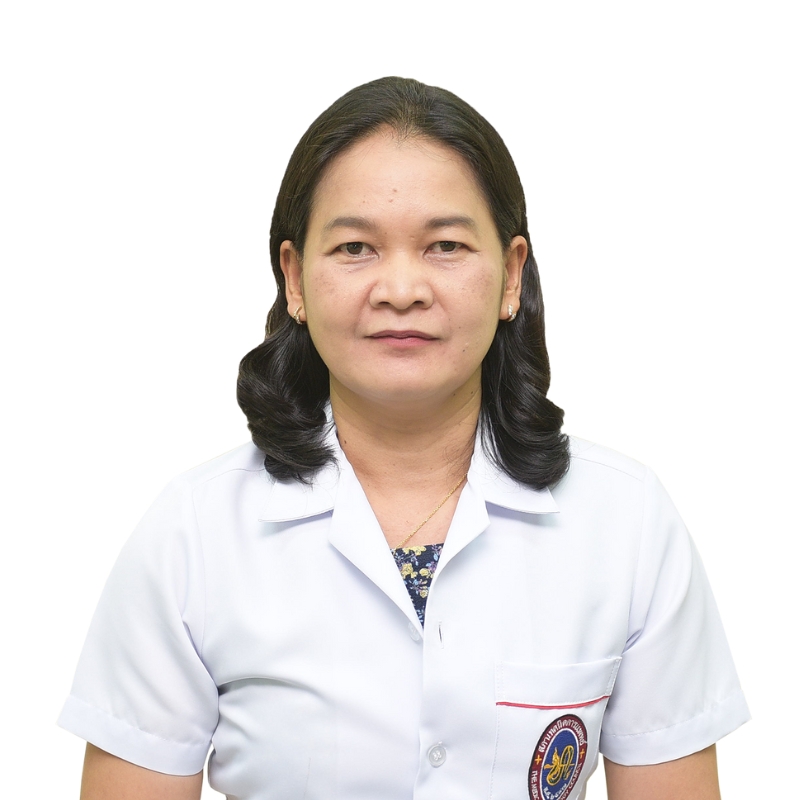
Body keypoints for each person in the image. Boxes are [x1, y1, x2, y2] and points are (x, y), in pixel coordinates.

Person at [59, 77, 748, 800]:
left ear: (511, 275)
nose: (400, 289)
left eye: (445, 245)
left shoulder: (626, 521)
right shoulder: (194, 535)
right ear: (294, 279)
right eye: (355, 247)